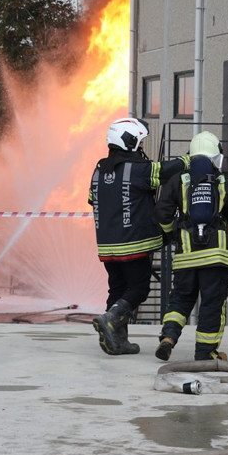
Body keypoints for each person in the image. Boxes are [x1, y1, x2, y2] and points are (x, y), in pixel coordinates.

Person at [89, 117, 190, 356]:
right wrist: (190, 159)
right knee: (139, 289)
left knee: (117, 289)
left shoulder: (98, 170)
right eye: (141, 142)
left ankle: (116, 340)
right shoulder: (137, 170)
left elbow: (94, 200)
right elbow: (164, 171)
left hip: (106, 246)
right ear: (130, 142)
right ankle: (110, 318)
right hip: (134, 243)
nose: (142, 147)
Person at [153, 131, 228, 361]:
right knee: (212, 304)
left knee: (180, 299)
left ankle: (168, 338)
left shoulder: (177, 181)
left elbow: (162, 213)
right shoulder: (224, 183)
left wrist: (173, 232)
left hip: (186, 255)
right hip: (216, 256)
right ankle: (205, 352)